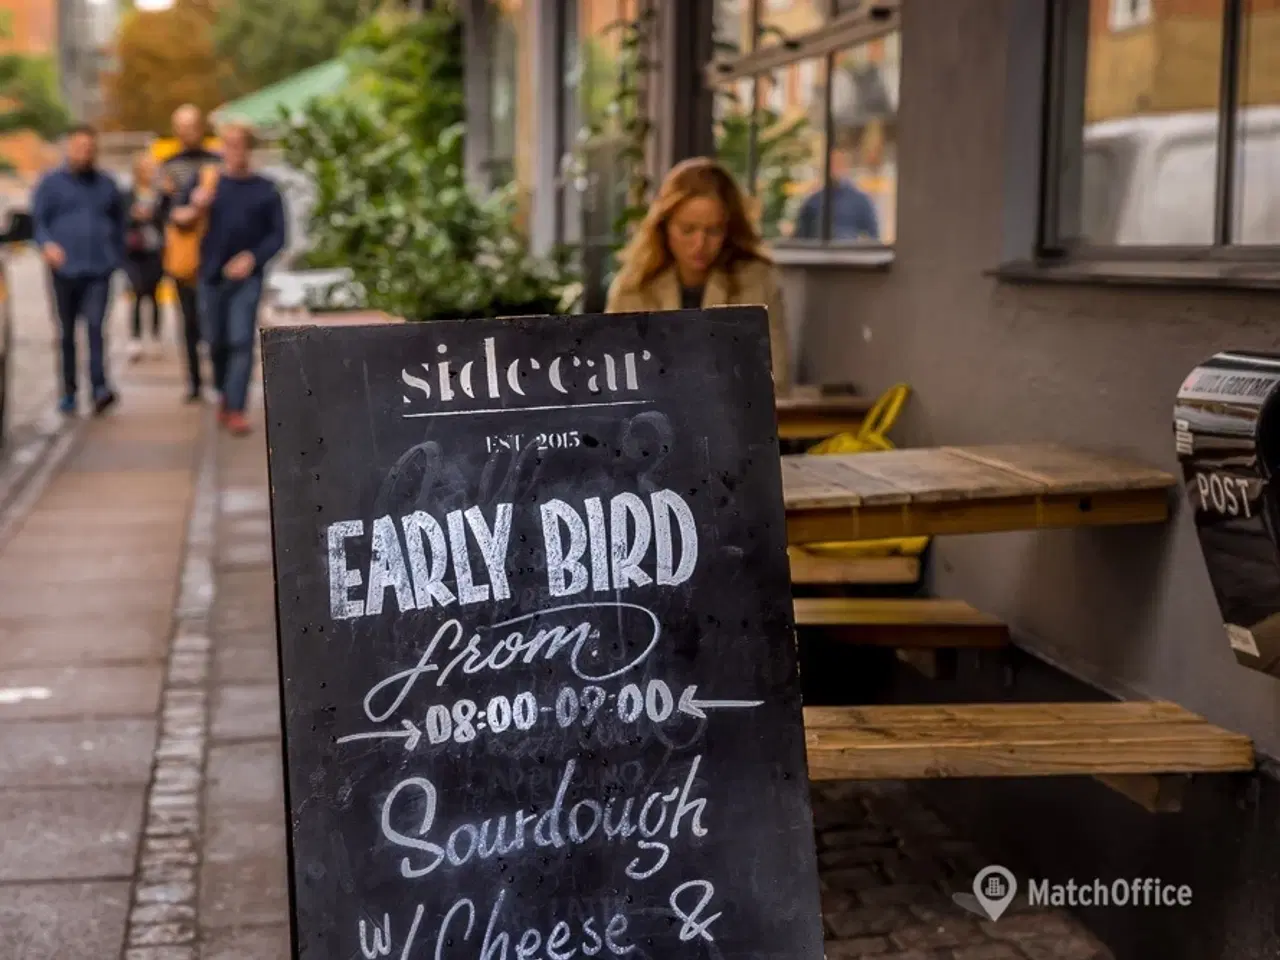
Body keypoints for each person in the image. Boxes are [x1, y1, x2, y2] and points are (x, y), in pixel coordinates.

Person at [605, 156, 791, 391]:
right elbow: (613, 384)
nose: (699, 243)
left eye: (713, 230)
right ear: (664, 226)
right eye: (687, 229)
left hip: (734, 423)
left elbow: (777, 380)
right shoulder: (634, 287)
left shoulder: (758, 282)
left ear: (729, 229)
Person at [173, 122, 285, 436]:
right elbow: (175, 218)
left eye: (240, 145)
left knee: (240, 341)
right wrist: (195, 206)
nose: (234, 151)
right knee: (215, 341)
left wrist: (252, 257)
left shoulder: (265, 188)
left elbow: (278, 236)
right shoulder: (207, 182)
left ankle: (236, 406)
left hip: (246, 279)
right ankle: (224, 393)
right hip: (208, 276)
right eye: (229, 144)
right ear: (222, 148)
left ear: (249, 149)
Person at [31, 124, 123, 416]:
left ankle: (99, 387)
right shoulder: (49, 184)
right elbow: (39, 223)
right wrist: (47, 246)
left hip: (98, 270)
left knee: (96, 328)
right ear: (68, 148)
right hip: (64, 271)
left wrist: (115, 256)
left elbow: (121, 224)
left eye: (89, 147)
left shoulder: (107, 184)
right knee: (67, 333)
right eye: (79, 146)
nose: (85, 152)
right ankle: (69, 391)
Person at [159, 103, 221, 403]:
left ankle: (219, 380)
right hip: (184, 255)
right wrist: (176, 214)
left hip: (214, 252)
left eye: (192, 125)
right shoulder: (169, 166)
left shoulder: (217, 161)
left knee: (214, 321)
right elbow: (162, 210)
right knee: (189, 322)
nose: (187, 132)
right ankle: (195, 382)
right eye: (181, 127)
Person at [123, 152, 166, 361]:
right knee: (137, 292)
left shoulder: (160, 194)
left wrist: (154, 215)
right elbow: (120, 219)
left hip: (155, 250)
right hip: (134, 252)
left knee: (154, 294)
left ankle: (156, 336)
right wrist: (133, 216)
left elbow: (166, 219)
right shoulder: (129, 193)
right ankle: (135, 338)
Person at [792, 144, 880, 242]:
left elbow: (873, 236)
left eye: (839, 163)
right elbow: (800, 238)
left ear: (846, 166)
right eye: (832, 164)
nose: (835, 168)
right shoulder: (813, 201)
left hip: (850, 254)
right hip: (818, 254)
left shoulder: (861, 201)